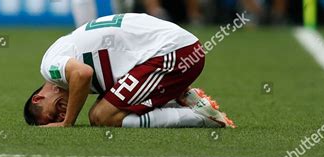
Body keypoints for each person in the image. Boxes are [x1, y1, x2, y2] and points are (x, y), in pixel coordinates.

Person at [23, 13, 235, 128]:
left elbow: (82, 74)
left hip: (174, 52)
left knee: (102, 116)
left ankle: (200, 117)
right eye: (57, 119)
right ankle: (181, 98)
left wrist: (67, 123)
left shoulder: (48, 68)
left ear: (38, 98)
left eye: (52, 115)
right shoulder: (63, 52)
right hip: (171, 49)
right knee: (99, 113)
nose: (59, 117)